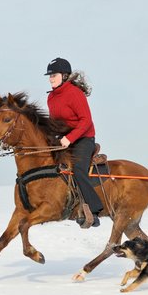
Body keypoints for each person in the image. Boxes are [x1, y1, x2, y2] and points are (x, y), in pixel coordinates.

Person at [45, 57, 103, 228]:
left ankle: (93, 211)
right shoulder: (51, 98)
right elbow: (53, 122)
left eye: (53, 75)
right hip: (64, 140)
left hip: (83, 138)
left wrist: (69, 138)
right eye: (49, 76)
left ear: (64, 76)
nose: (50, 79)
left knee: (77, 170)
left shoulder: (74, 93)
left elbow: (86, 121)